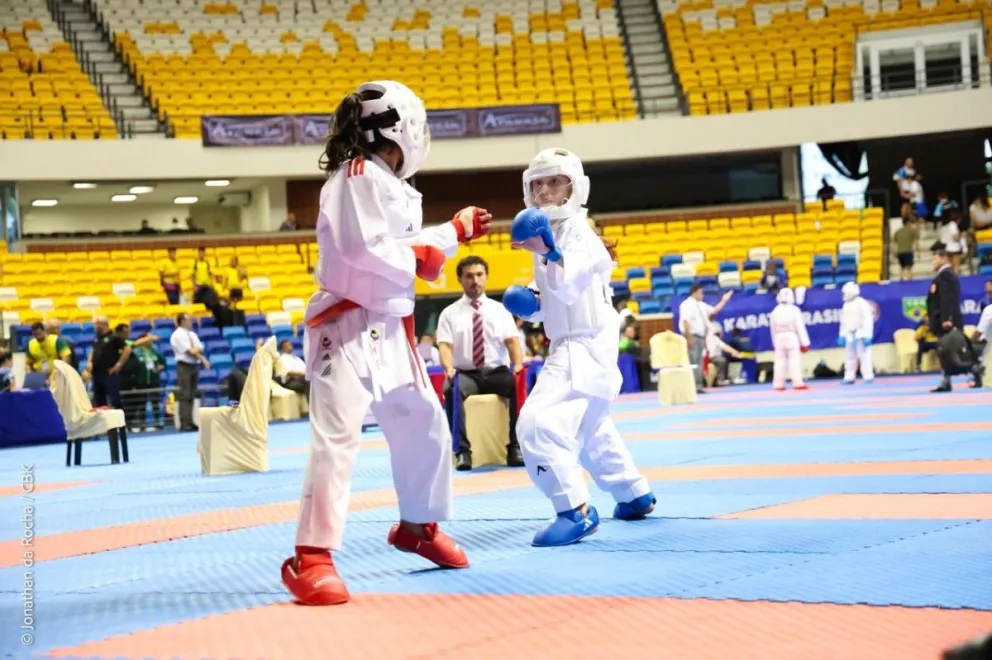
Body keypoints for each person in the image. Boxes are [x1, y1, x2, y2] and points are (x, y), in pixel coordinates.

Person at [283, 80, 493, 607]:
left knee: (425, 424)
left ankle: (418, 526)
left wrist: (449, 235)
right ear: (403, 128)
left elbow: (401, 246)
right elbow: (364, 249)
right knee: (337, 437)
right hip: (344, 325)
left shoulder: (388, 183)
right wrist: (430, 250)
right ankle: (311, 556)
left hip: (389, 326)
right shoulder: (354, 177)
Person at [501, 147, 655, 548]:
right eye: (538, 184)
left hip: (581, 347)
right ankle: (633, 494)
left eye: (555, 182)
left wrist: (547, 252)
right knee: (591, 428)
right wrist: (532, 302)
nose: (545, 191)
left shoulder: (578, 233)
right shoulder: (557, 235)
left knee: (536, 424)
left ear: (575, 188)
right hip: (585, 345)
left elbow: (568, 283)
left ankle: (575, 510)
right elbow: (557, 295)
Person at [437, 255, 525, 471]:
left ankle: (515, 447)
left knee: (518, 385)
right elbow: (445, 345)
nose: (474, 280)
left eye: (479, 275)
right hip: (465, 374)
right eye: (469, 276)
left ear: (486, 277)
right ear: (460, 279)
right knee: (451, 388)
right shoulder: (449, 313)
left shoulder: (500, 310)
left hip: (496, 372)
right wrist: (448, 368)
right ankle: (462, 452)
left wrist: (518, 365)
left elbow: (512, 341)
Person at [927, 249, 983, 392]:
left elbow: (948, 298)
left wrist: (947, 318)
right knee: (946, 352)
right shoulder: (943, 275)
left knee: (952, 351)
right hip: (942, 319)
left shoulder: (946, 275)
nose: (933, 262)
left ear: (943, 259)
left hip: (946, 321)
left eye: (935, 259)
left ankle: (975, 370)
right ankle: (948, 379)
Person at [678, 284, 734, 393]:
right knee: (693, 361)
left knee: (699, 361)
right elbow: (685, 321)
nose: (702, 295)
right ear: (694, 293)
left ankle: (698, 386)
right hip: (692, 335)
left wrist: (724, 300)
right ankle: (692, 386)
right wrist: (688, 337)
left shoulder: (701, 305)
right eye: (700, 293)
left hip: (700, 336)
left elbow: (714, 311)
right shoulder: (686, 305)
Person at [170, 313, 209, 431]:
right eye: (188, 320)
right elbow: (190, 351)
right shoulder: (177, 335)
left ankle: (190, 421)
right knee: (185, 394)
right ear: (182, 321)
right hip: (184, 366)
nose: (191, 322)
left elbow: (200, 348)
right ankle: (184, 422)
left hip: (194, 365)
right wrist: (203, 359)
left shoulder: (192, 334)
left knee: (192, 394)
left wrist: (197, 351)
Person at [82, 316, 131, 411]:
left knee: (115, 400)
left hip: (109, 374)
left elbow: (127, 349)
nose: (95, 327)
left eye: (96, 324)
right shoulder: (97, 338)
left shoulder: (114, 337)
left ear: (103, 324)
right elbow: (93, 351)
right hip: (97, 374)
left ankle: (121, 419)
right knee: (99, 402)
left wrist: (118, 365)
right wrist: (89, 362)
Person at [769, 288, 810, 390]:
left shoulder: (775, 311)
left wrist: (774, 343)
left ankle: (778, 384)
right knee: (794, 361)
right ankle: (797, 383)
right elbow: (800, 327)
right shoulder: (794, 310)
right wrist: (805, 343)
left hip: (779, 337)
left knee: (779, 362)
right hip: (792, 337)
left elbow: (772, 329)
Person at [838, 281, 875, 384]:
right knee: (849, 356)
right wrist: (842, 334)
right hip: (849, 334)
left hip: (860, 333)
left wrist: (868, 335)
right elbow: (843, 321)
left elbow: (867, 320)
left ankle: (868, 375)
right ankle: (849, 376)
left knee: (864, 355)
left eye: (845, 292)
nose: (844, 295)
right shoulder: (846, 305)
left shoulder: (862, 303)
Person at [891, 216, 919, 281]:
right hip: (908, 251)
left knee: (902, 267)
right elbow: (916, 241)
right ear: (908, 222)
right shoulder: (912, 230)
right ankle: (910, 282)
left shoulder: (898, 231)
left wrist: (894, 253)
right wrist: (918, 251)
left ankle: (901, 281)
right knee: (909, 268)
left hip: (900, 252)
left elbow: (894, 243)